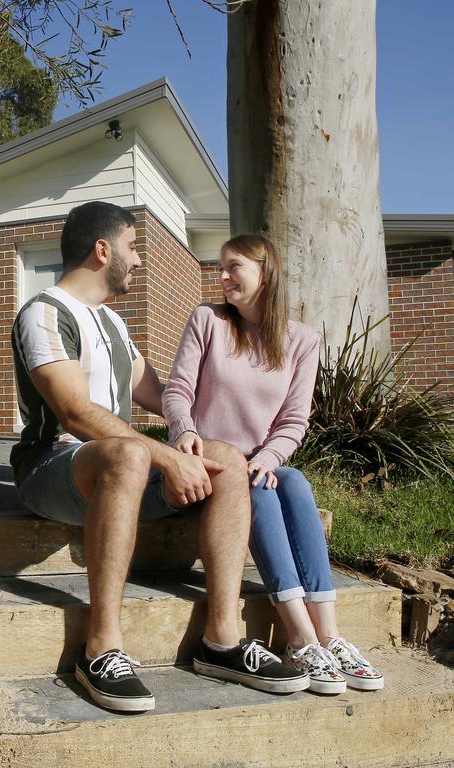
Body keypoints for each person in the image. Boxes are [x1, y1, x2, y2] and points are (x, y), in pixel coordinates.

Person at [10, 202, 309, 713]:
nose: (139, 259)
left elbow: (166, 393)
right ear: (102, 250)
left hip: (123, 469)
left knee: (226, 458)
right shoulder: (44, 313)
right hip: (53, 467)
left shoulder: (113, 324)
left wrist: (202, 436)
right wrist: (167, 461)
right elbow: (76, 413)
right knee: (127, 453)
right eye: (132, 247)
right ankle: (101, 648)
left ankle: (222, 641)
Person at [162, 233, 385, 694]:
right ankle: (300, 636)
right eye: (219, 267)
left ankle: (329, 634)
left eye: (233, 266)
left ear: (266, 270)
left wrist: (268, 456)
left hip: (259, 462)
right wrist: (184, 430)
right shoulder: (208, 320)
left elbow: (293, 419)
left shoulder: (302, 339)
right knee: (258, 489)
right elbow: (177, 389)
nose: (221, 276)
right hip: (212, 465)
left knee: (295, 481)